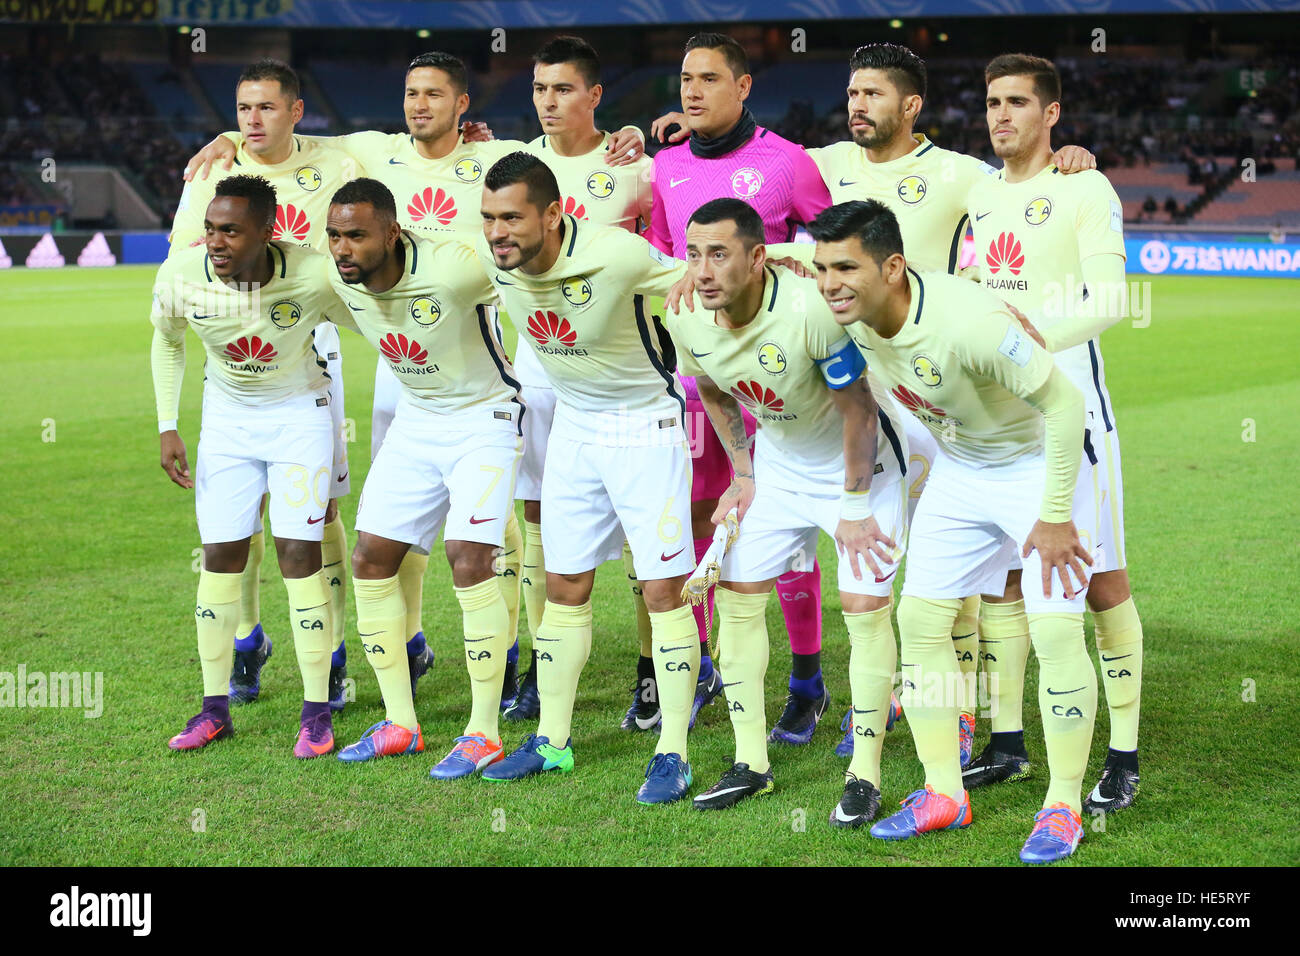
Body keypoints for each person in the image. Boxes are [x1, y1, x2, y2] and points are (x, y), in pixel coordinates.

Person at [184, 52, 648, 716]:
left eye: (434, 93)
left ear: (464, 104)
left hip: (474, 347)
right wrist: (228, 138)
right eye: (410, 92)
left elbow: (565, 150)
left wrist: (628, 137)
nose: (418, 104)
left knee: (499, 517)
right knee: (394, 522)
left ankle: (512, 651)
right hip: (398, 350)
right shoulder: (374, 151)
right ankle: (408, 642)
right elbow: (287, 137)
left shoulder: (500, 154)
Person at [806, 42, 1097, 763]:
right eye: (851, 92)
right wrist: (641, 139)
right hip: (888, 379)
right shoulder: (823, 162)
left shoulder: (960, 173)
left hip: (967, 374)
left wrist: (1070, 161)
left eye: (873, 93)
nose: (857, 104)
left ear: (910, 105)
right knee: (915, 586)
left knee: (993, 580)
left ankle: (988, 725)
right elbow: (747, 162)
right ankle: (908, 710)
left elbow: (1020, 182)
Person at [810, 198, 1096, 864]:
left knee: (1054, 629)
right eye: (822, 268)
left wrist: (1055, 512)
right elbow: (767, 267)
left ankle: (1064, 804)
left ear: (893, 267)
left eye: (846, 267)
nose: (830, 283)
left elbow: (1065, 404)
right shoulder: (844, 310)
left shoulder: (966, 321)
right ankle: (945, 792)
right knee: (922, 621)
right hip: (963, 469)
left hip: (1035, 467)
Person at [663, 198, 907, 825]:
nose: (703, 270)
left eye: (719, 253)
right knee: (740, 595)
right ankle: (751, 763)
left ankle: (865, 772)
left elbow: (859, 410)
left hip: (862, 469)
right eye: (694, 253)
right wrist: (743, 473)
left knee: (863, 610)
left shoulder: (808, 311)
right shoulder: (687, 316)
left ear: (758, 257)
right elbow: (714, 389)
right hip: (778, 466)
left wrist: (853, 506)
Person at [474, 152, 699, 805]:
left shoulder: (618, 254)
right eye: (488, 218)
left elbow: (701, 279)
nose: (497, 232)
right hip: (574, 430)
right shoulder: (495, 262)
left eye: (511, 218)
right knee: (564, 585)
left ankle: (673, 751)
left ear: (552, 214)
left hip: (645, 429)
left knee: (663, 590)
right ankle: (551, 741)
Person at [648, 32, 836, 746]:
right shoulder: (664, 164)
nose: (691, 91)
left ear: (744, 86)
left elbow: (831, 250)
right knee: (700, 520)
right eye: (685, 78)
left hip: (781, 383)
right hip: (699, 382)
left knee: (784, 539)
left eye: (708, 79)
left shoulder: (788, 162)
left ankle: (807, 681)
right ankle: (703, 671)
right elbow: (669, 260)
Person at [967, 54, 1144, 814]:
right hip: (995, 413)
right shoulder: (979, 194)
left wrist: (1033, 334)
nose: (1001, 114)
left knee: (1099, 581)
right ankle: (1007, 742)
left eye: (1017, 102)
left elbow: (1109, 297)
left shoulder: (1085, 186)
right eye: (991, 102)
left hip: (1071, 406)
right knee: (1007, 577)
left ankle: (1124, 756)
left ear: (1052, 114)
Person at [169, 58, 357, 713]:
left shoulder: (337, 160)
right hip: (236, 347)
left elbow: (411, 149)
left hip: (314, 337)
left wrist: (473, 133)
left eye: (266, 108)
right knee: (234, 517)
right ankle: (247, 639)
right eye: (242, 109)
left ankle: (330, 651)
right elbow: (181, 266)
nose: (252, 121)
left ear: (295, 111)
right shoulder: (212, 172)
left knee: (318, 514)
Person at [322, 178, 524, 776]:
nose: (342, 248)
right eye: (334, 236)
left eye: (356, 235)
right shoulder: (335, 275)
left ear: (393, 232)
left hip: (486, 417)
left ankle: (484, 731)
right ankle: (401, 723)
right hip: (416, 422)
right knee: (371, 557)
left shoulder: (455, 268)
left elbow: (534, 270)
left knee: (468, 554)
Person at [153, 175, 350, 758]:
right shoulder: (181, 275)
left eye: (231, 230)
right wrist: (168, 424)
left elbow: (370, 317)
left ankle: (316, 713)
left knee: (298, 552)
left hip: (300, 416)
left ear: (269, 231)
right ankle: (214, 709)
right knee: (221, 555)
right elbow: (167, 341)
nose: (215, 240)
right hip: (228, 422)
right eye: (211, 228)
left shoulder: (313, 272)